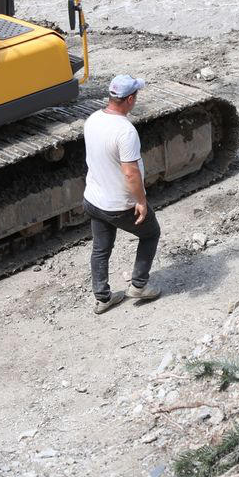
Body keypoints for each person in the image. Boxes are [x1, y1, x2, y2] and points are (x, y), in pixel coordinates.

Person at [85, 75, 160, 313]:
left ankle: (103, 298)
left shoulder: (93, 119)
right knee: (151, 233)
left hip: (93, 199)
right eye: (135, 96)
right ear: (129, 99)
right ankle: (138, 285)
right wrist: (141, 201)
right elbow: (130, 173)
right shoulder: (125, 131)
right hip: (118, 205)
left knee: (100, 248)